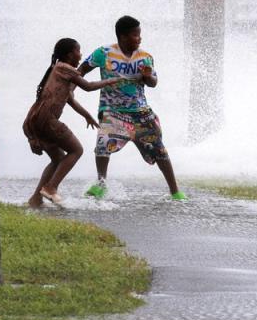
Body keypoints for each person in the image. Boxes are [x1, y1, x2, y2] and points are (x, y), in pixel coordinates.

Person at [79, 15, 187, 201]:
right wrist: (69, 88)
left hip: (141, 113)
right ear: (123, 37)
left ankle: (175, 191)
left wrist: (147, 76)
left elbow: (153, 83)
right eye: (136, 35)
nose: (140, 38)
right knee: (103, 143)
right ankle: (101, 184)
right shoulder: (103, 53)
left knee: (160, 150)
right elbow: (81, 71)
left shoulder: (145, 57)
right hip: (113, 110)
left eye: (139, 34)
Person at [24, 38, 125, 207]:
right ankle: (50, 188)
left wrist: (87, 116)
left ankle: (36, 198)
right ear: (70, 55)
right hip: (48, 120)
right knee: (76, 150)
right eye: (78, 51)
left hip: (36, 120)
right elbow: (88, 86)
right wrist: (111, 81)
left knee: (57, 159)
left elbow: (70, 100)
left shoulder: (56, 70)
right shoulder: (66, 68)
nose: (81, 55)